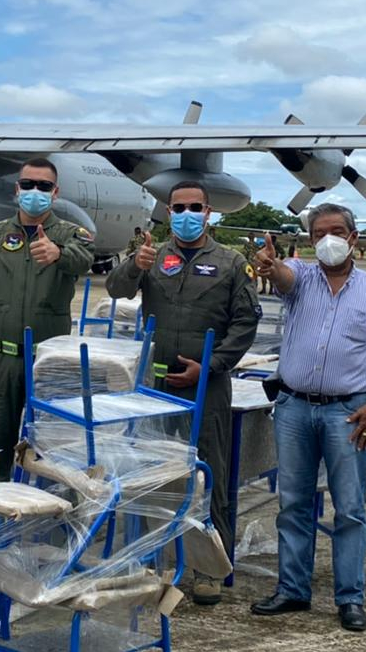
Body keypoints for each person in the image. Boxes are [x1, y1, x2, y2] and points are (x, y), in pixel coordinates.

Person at [249, 203, 366, 632]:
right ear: (310, 239)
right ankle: (293, 589)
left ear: (353, 237)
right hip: (295, 408)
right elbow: (281, 276)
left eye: (336, 231)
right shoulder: (300, 277)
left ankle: (350, 598)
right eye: (319, 233)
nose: (328, 240)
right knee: (293, 502)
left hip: (348, 411)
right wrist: (271, 266)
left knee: (350, 507)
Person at [105, 181, 260, 606]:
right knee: (153, 472)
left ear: (208, 213)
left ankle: (209, 569)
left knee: (209, 475)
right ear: (168, 212)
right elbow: (116, 289)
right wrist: (134, 266)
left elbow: (245, 322)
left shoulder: (230, 262)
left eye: (195, 207)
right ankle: (151, 557)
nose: (186, 215)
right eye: (178, 208)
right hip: (155, 386)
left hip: (206, 385)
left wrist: (211, 365)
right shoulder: (152, 256)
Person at [0, 157, 95, 479]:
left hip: (47, 362)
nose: (35, 191)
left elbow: (84, 259)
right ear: (17, 189)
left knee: (52, 447)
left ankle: (49, 505)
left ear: (55, 192)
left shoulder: (71, 234)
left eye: (44, 186)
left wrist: (59, 254)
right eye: (28, 184)